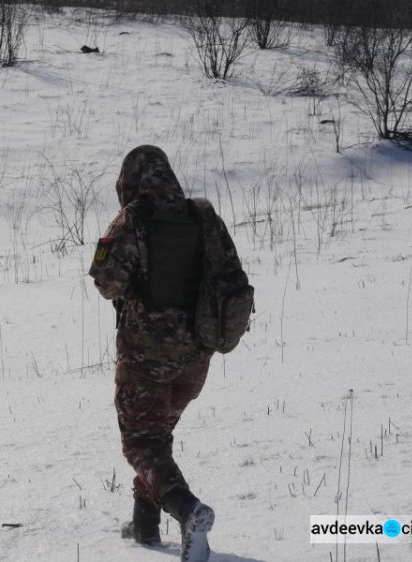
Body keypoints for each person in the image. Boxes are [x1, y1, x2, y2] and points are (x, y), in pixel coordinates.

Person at [89, 145, 240, 562]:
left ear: (132, 180)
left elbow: (106, 283)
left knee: (141, 444)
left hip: (146, 360)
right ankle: (145, 525)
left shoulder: (134, 217)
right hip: (195, 360)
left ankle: (188, 510)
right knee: (159, 437)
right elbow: (229, 274)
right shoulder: (203, 215)